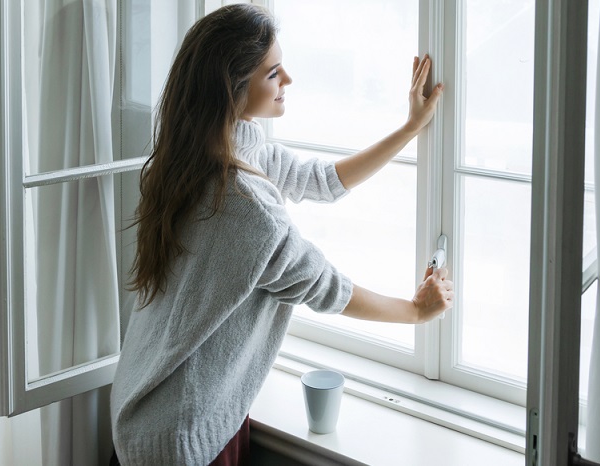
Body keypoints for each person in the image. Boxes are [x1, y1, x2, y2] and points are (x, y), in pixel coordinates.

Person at [109, 4, 453, 465]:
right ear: (232, 88)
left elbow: (321, 181)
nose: (287, 80)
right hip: (180, 436)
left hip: (143, 409)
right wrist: (414, 312)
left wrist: (409, 128)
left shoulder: (200, 152)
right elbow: (325, 287)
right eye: (273, 73)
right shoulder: (246, 208)